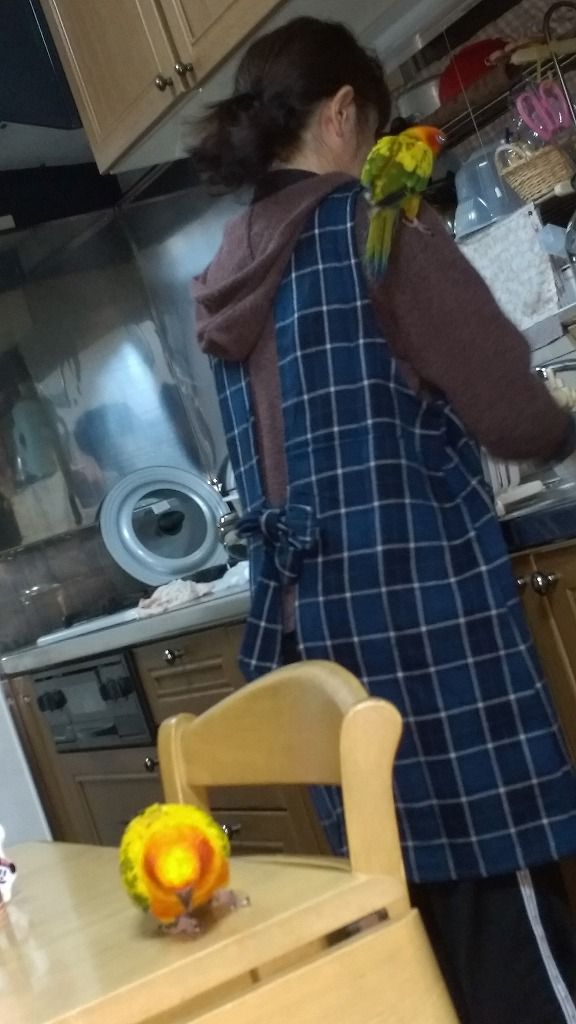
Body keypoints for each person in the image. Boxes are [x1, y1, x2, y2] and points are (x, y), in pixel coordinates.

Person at [192, 17, 576, 1024]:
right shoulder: (374, 227)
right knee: (506, 917)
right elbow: (514, 413)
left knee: (408, 936)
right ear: (342, 114)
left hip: (316, 650)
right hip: (422, 626)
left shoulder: (230, 271)